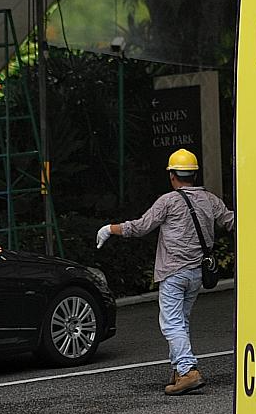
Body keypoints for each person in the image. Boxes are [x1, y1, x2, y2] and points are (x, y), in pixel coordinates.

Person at [97, 148, 234, 395]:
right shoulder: (210, 199)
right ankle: (178, 371)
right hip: (197, 273)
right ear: (194, 174)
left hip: (172, 272)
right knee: (181, 321)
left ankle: (187, 371)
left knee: (171, 323)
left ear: (172, 175)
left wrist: (110, 229)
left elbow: (140, 227)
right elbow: (231, 221)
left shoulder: (168, 201)